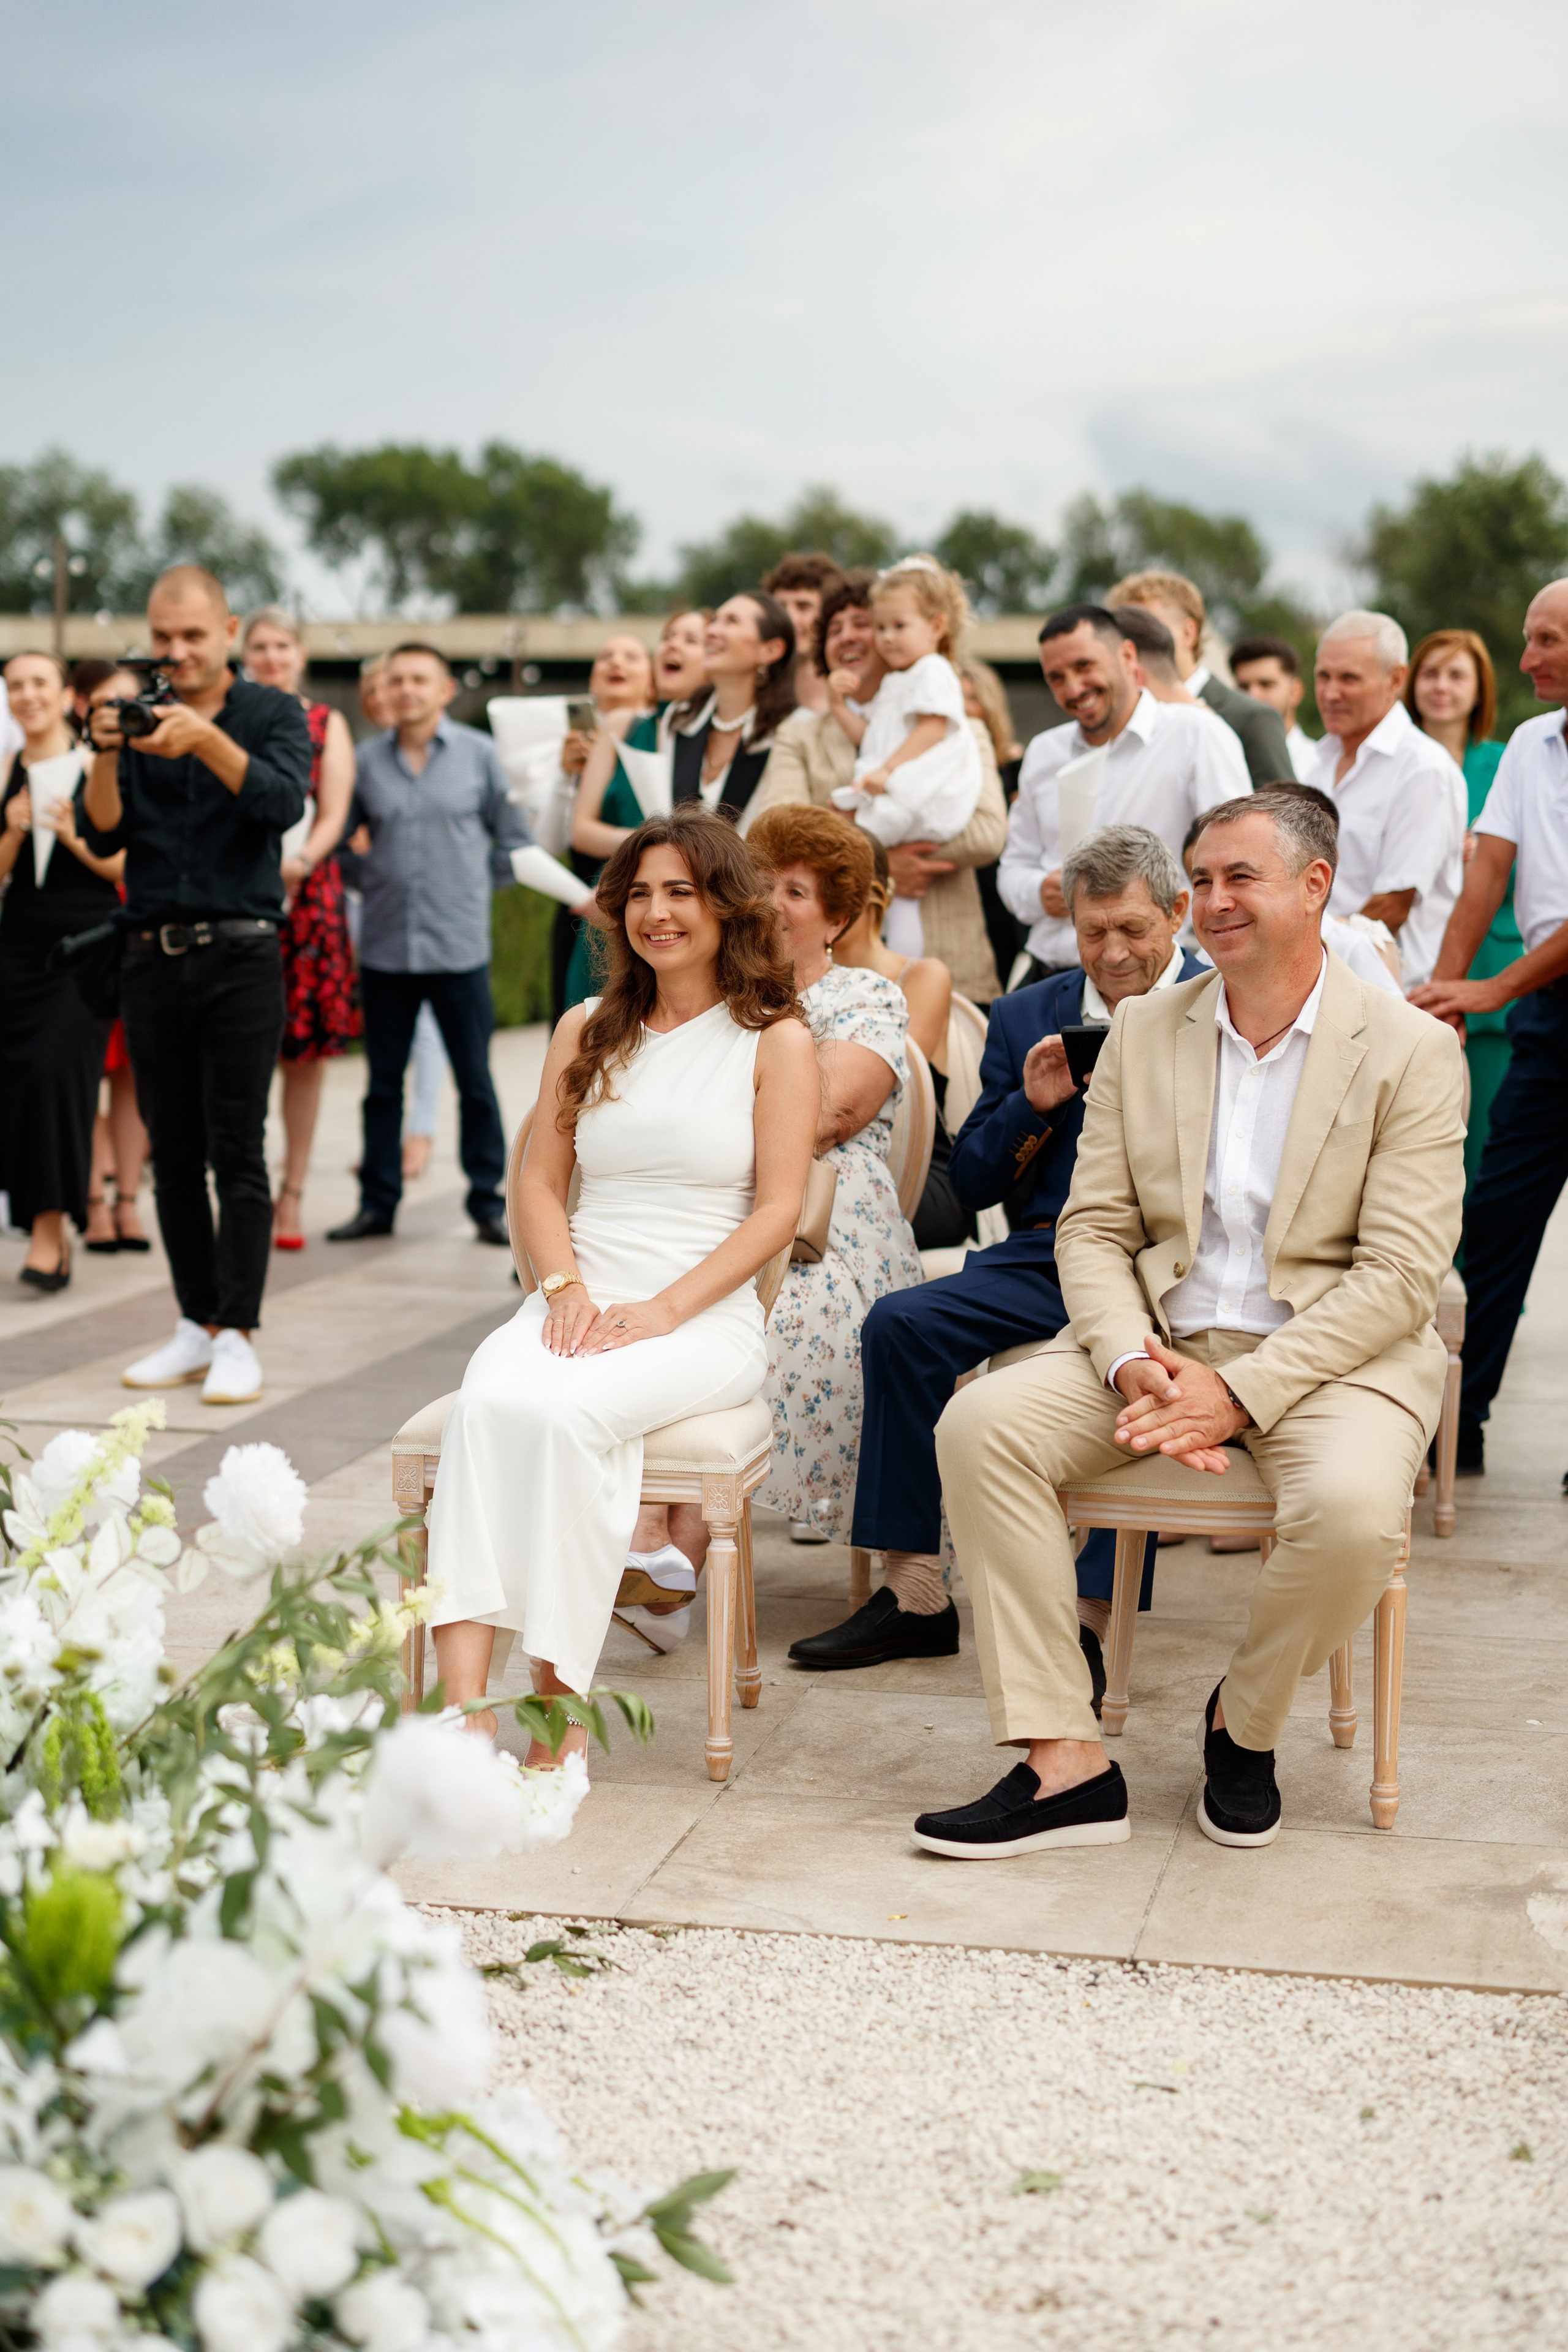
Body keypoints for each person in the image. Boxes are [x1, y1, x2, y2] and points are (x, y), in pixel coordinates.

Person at [915, 789, 1464, 1860]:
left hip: (1335, 1361)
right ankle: (1063, 1761)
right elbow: (1093, 1230)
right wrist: (1127, 1360)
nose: (1212, 902)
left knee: (1355, 1514)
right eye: (1202, 879)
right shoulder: (1144, 1032)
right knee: (980, 1428)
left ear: (1317, 887)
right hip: (1161, 1342)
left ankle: (1242, 1724)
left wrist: (1241, 1393)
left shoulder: (1408, 1050)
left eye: (1238, 879)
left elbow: (1401, 1276)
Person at [424, 806, 818, 1755]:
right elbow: (539, 1179)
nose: (657, 913)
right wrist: (563, 1290)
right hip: (578, 1297)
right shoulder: (587, 1028)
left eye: (681, 892)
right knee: (486, 1405)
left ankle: (557, 1724)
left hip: (702, 1316)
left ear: (726, 905)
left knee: (566, 1421)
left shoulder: (775, 1039)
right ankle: (463, 1714)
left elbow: (778, 1211)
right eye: (639, 894)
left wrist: (661, 1311)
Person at [791, 824, 1205, 1674]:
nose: (1114, 952)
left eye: (1133, 929)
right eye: (1095, 933)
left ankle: (1090, 1618)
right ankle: (914, 1595)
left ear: (1178, 914)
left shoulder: (1228, 1001)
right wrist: (1033, 1105)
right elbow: (973, 1181)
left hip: (1179, 1266)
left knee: (1135, 1362)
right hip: (1047, 1255)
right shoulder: (1029, 1013)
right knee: (900, 1324)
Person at [82, 566, 312, 1405]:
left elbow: (282, 803)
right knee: (170, 1153)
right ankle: (194, 1322)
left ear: (228, 631)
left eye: (191, 636)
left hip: (242, 952)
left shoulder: (273, 712)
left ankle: (239, 1332)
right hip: (149, 952)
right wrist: (107, 748)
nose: (174, 652)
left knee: (236, 1148)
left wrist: (206, 741)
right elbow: (104, 825)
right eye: (162, 638)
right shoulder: (136, 712)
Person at [1411, 581, 1568, 1475]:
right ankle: (1455, 1425)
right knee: (1498, 1215)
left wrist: (1493, 988)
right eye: (1527, 636)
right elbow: (1487, 873)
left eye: (1545, 640)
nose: (1526, 659)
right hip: (1552, 1021)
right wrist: (1446, 991)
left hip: (1535, 986)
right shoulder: (1531, 747)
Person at [748, 804, 924, 1544]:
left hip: (831, 1230)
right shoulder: (715, 1000)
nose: (771, 905)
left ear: (837, 917)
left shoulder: (866, 996)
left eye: (795, 891)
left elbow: (826, 1118)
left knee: (774, 1326)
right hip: (723, 1208)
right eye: (760, 887)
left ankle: (677, 1558)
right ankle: (656, 1544)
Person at [327, 643, 533, 1247]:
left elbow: (511, 841)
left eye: (420, 679)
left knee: (474, 1080)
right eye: (397, 681)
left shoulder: (480, 756)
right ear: (385, 692)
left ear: (445, 689)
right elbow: (338, 842)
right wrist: (373, 881)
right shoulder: (365, 762)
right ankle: (378, 1202)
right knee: (382, 1084)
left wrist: (470, 890)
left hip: (458, 946)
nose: (407, 690)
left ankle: (486, 1202)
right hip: (387, 947)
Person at [746, 573, 1007, 1002]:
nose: (848, 636)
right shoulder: (800, 737)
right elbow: (776, 834)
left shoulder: (957, 725)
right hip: (826, 986)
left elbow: (987, 832)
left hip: (955, 971)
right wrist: (882, 868)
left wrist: (868, 856)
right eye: (834, 629)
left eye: (863, 624)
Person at [1000, 604, 1249, 983]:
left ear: (1128, 656)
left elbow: (1237, 859)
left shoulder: (1197, 734)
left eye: (1084, 667)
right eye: (1056, 678)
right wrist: (1040, 891)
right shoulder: (1043, 752)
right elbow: (1013, 868)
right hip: (1054, 974)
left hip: (1162, 979)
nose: (1073, 688)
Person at [0, 652, 120, 1292]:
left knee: (57, 1078)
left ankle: (55, 1229)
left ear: (66, 693)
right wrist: (15, 834)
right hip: (16, 949)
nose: (26, 695)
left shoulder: (98, 766)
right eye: (15, 685)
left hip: (84, 948)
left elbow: (127, 866)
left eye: (38, 683)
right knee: (20, 1085)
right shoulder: (5, 774)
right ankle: (43, 1225)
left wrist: (73, 838)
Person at [239, 607, 358, 1250]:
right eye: (258, 646)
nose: (270, 656)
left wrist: (301, 862)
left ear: (300, 654)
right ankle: (247, 1191)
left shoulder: (324, 721)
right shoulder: (229, 718)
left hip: (305, 895)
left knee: (304, 1056)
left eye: (281, 645)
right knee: (241, 1050)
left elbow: (335, 809)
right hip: (240, 893)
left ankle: (293, 1194)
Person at [827, 557, 982, 957]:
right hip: (895, 785)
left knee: (856, 847)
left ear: (935, 626)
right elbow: (871, 738)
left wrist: (888, 771)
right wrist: (839, 704)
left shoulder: (933, 670)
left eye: (899, 626)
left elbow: (933, 728)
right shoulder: (900, 680)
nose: (887, 638)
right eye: (881, 627)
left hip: (923, 790)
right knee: (898, 900)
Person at [1305, 611, 1467, 990]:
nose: (1331, 693)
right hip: (1320, 983)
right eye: (1323, 676)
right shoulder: (1316, 762)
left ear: (1396, 679)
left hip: (1390, 997)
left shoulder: (1424, 770)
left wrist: (1295, 953)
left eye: (1349, 678)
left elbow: (1392, 906)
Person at [1405, 629, 1514, 1182]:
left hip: (1489, 972)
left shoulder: (1505, 762)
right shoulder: (1393, 758)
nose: (1441, 687)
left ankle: (1474, 1267)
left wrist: (1486, 853)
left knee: (1483, 1151)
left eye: (1456, 675)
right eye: (1431, 673)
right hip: (1403, 967)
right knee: (1414, 1144)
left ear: (1479, 690)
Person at [829, 836, 965, 1250]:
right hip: (826, 1161)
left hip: (915, 1169)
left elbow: (889, 1086)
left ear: (865, 896)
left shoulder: (923, 976)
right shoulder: (790, 978)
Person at [80, 669, 151, 1256]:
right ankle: (93, 1200)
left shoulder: (157, 757)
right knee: (84, 1075)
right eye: (103, 702)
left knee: (132, 1077)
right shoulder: (69, 764)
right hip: (81, 933)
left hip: (141, 928)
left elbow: (127, 860)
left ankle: (129, 1199)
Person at [1107, 570, 1294, 786]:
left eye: (1146, 629)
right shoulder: (1117, 717)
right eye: (1122, 635)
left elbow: (1284, 815)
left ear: (1189, 633)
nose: (1131, 645)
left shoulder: (1252, 718)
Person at [561, 631, 666, 1006]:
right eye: (605, 656)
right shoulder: (618, 726)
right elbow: (576, 829)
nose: (616, 663)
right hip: (607, 890)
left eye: (631, 656)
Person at [667, 592, 796, 824]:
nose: (712, 631)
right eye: (715, 620)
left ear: (771, 650)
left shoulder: (793, 730)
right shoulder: (680, 718)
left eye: (732, 621)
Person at [761, 552, 845, 717]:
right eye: (781, 607)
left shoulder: (855, 697)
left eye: (803, 607)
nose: (790, 618)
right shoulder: (761, 700)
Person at [1230, 635, 1316, 781]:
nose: (1253, 696)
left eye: (1266, 684)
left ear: (1295, 692)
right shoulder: (1224, 751)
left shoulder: (1316, 766)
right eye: (1243, 687)